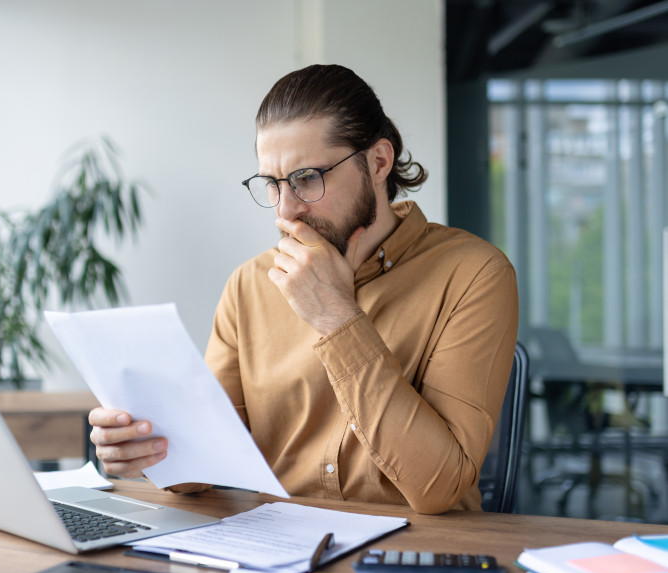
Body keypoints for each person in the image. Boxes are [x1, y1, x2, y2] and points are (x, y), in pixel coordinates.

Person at [88, 64, 518, 514]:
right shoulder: (250, 284)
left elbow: (439, 488)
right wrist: (147, 448)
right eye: (272, 184)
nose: (286, 210)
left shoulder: (474, 275)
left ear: (378, 162)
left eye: (307, 178)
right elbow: (205, 462)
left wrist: (338, 318)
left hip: (415, 557)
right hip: (275, 549)